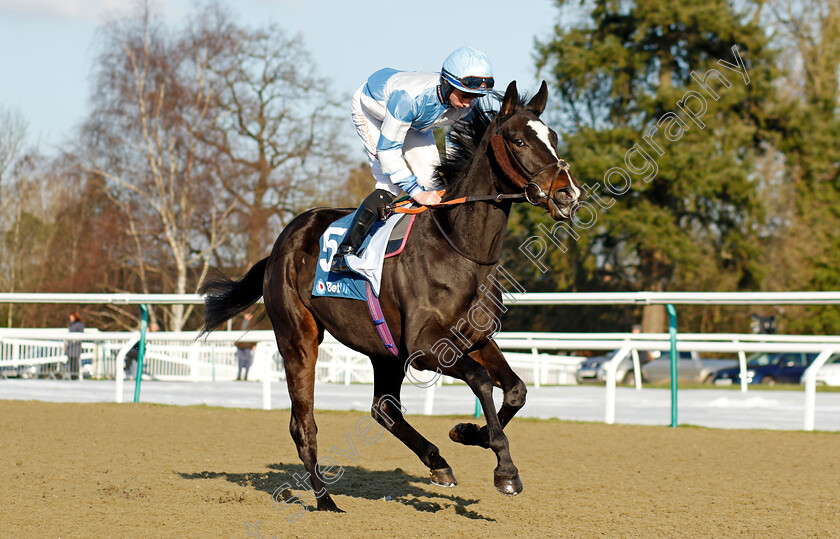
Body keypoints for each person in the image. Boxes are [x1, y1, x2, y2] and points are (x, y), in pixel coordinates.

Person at [330, 46, 495, 273]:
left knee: (435, 186)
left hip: (417, 122)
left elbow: (459, 151)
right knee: (391, 184)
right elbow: (388, 154)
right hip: (373, 112)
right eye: (465, 95)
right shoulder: (408, 99)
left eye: (475, 97)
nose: (469, 103)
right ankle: (344, 252)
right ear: (446, 84)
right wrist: (416, 192)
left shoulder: (466, 105)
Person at [236, 313, 256, 381]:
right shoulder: (240, 322)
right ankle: (239, 376)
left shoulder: (253, 323)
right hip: (240, 345)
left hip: (248, 346)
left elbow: (255, 335)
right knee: (240, 361)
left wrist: (254, 344)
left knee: (247, 361)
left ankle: (246, 376)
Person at [64, 312, 85, 380]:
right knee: (71, 362)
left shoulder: (79, 325)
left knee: (75, 363)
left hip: (75, 346)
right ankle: (72, 376)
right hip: (70, 347)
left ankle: (75, 376)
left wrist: (74, 341)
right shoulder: (71, 325)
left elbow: (80, 334)